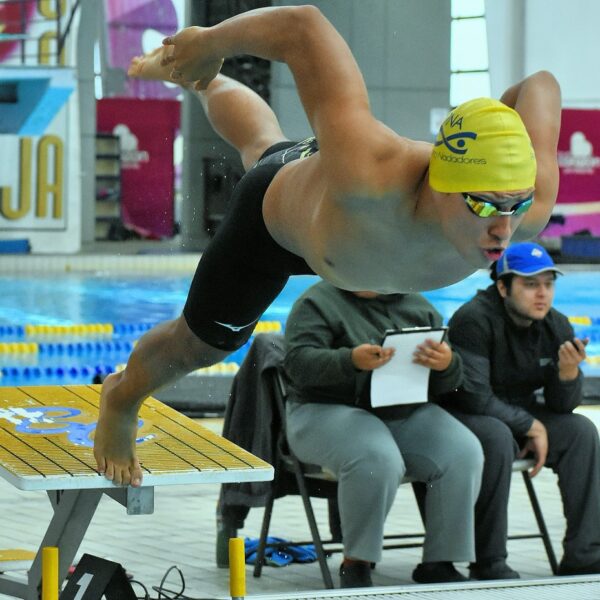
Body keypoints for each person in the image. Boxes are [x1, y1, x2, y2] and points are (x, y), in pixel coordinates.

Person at [93, 5, 562, 486]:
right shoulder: (369, 173)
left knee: (261, 139)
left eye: (517, 204)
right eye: (484, 205)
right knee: (198, 347)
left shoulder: (526, 205)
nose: (504, 229)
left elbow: (541, 84)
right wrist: (208, 43)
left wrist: (497, 130)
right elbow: (303, 28)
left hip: (337, 227)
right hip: (274, 228)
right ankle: (121, 399)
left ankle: (197, 80)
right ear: (441, 187)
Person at [283, 279, 483, 586]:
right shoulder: (317, 302)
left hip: (400, 410)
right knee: (376, 457)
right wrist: (349, 360)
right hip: (323, 411)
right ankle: (356, 563)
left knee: (463, 452)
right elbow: (297, 365)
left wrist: (447, 365)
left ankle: (440, 563)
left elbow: (448, 383)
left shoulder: (418, 306)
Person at [441, 242, 600, 576]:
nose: (542, 294)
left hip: (516, 415)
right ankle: (488, 561)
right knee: (497, 436)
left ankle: (583, 554)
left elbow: (562, 406)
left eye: (548, 284)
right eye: (530, 284)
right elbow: (474, 397)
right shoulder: (474, 320)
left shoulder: (556, 324)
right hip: (468, 417)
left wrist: (567, 374)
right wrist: (530, 425)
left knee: (581, 431)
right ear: (503, 288)